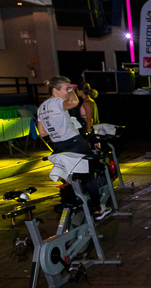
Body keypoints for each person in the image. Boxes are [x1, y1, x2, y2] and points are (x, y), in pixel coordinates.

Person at [38, 76, 111, 220]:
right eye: (66, 89)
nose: (68, 92)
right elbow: (74, 102)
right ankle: (97, 209)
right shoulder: (57, 101)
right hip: (74, 142)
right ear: (55, 90)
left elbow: (42, 133)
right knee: (88, 175)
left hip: (59, 145)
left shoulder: (42, 107)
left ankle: (73, 205)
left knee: (70, 176)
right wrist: (73, 89)